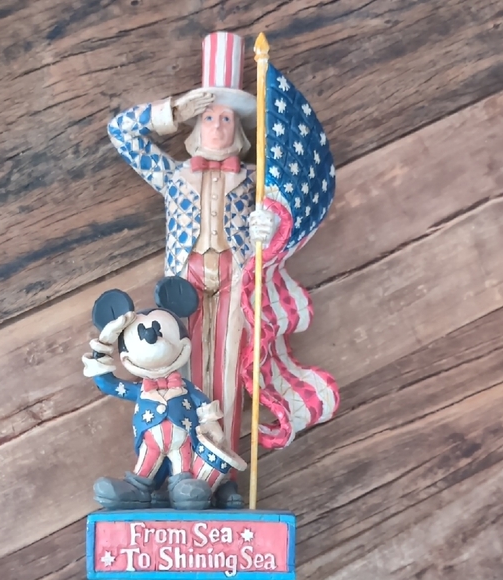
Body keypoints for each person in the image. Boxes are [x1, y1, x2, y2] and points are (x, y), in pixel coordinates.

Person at [107, 31, 339, 507]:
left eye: (226, 118)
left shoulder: (255, 180)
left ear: (240, 129)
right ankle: (173, 474)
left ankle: (220, 474)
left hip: (236, 279)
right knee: (182, 374)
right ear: (196, 125)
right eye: (209, 116)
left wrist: (268, 222)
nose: (217, 125)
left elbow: (284, 210)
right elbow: (121, 133)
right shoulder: (174, 175)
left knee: (230, 374)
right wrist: (173, 110)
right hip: (184, 284)